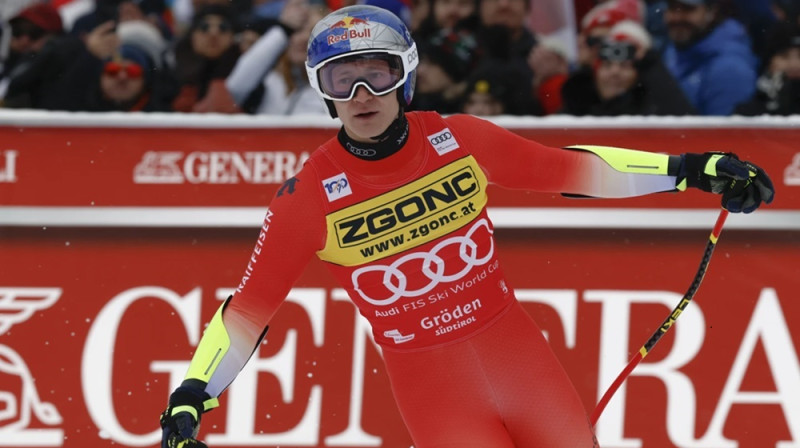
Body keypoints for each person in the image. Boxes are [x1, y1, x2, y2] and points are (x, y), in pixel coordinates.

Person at [158, 5, 775, 448]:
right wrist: (191, 394)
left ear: (406, 71)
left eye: (377, 71)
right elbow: (250, 309)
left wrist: (694, 170)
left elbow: (575, 171)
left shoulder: (458, 139)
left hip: (517, 357)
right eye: (341, 80)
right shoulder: (309, 195)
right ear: (323, 92)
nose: (363, 93)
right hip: (432, 386)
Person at [661, 0, 758, 115]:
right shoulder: (673, 51)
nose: (677, 17)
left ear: (711, 12)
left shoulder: (729, 68)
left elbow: (723, 131)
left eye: (688, 9)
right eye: (673, 8)